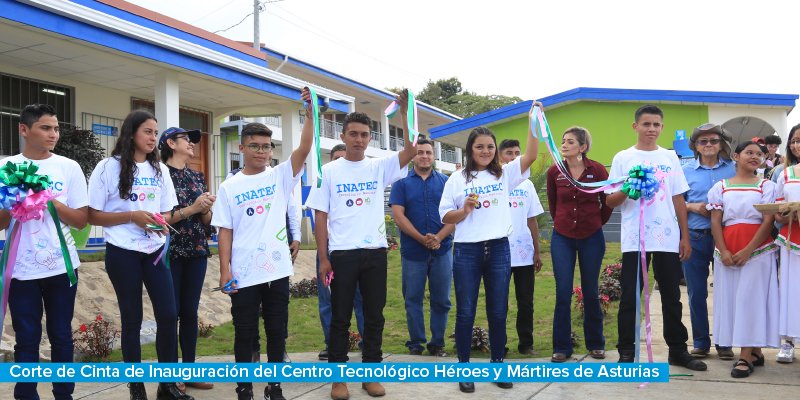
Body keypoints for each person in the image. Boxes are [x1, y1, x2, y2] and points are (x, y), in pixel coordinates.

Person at [305, 92, 416, 400]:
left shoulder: (378, 168)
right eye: (353, 134)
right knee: (340, 318)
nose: (358, 139)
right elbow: (320, 216)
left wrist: (405, 112)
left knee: (374, 317)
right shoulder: (327, 172)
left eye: (364, 135)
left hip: (375, 253)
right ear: (342, 136)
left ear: (370, 138)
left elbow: (409, 149)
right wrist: (323, 258)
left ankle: (371, 375)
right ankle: (338, 381)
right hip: (342, 255)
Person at [211, 87, 314, 400]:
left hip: (277, 270)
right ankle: (244, 388)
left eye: (266, 147)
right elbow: (224, 231)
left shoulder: (281, 176)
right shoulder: (229, 186)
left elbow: (305, 147)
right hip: (243, 273)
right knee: (244, 333)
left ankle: (275, 386)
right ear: (241, 148)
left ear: (272, 150)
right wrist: (224, 270)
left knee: (276, 332)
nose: (261, 151)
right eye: (254, 146)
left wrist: (310, 113)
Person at [87, 110, 191, 400]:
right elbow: (93, 215)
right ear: (131, 133)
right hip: (122, 253)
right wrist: (132, 216)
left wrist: (159, 220)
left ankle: (167, 385)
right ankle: (136, 387)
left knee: (169, 316)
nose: (153, 138)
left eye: (155, 133)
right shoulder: (108, 167)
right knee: (131, 319)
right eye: (147, 131)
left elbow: (169, 210)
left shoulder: (160, 170)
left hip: (155, 252)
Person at [439, 102, 540, 394]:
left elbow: (531, 154)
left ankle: (498, 365)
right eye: (480, 147)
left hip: (498, 248)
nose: (485, 151)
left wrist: (534, 120)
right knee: (466, 311)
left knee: (498, 311)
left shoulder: (504, 174)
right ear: (470, 149)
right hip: (467, 251)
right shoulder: (457, 179)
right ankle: (465, 369)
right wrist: (464, 210)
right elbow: (445, 216)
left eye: (490, 147)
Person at [605, 104, 706, 371]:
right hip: (634, 239)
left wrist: (685, 236)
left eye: (656, 125)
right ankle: (626, 351)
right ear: (635, 126)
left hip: (666, 239)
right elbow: (611, 201)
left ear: (662, 127)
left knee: (672, 295)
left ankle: (677, 350)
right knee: (630, 296)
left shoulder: (669, 158)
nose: (651, 129)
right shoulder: (622, 158)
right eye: (646, 124)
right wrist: (629, 188)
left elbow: (678, 198)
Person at [1, 104, 88, 400]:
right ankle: (26, 395)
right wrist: (16, 201)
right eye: (45, 128)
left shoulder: (68, 167)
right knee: (26, 338)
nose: (54, 134)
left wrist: (47, 199)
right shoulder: (6, 168)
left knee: (62, 335)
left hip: (61, 265)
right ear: (24, 130)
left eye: (56, 128)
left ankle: (64, 394)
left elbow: (80, 220)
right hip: (21, 267)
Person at [709, 139, 779, 378]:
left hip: (758, 251)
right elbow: (715, 221)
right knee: (732, 300)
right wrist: (723, 250)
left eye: (759, 154)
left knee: (751, 300)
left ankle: (745, 355)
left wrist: (749, 249)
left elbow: (768, 221)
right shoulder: (721, 186)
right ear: (736, 157)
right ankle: (755, 350)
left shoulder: (766, 186)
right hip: (727, 250)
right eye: (749, 152)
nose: (754, 157)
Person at [546, 127, 611, 362]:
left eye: (570, 142)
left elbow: (607, 203)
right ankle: (561, 347)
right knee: (562, 292)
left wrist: (594, 223)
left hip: (591, 237)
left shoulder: (598, 169)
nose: (564, 145)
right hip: (562, 237)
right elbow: (553, 205)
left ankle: (596, 344)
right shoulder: (555, 171)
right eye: (563, 141)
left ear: (582, 147)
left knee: (591, 291)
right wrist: (563, 224)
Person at [158, 127, 216, 391]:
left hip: (196, 249)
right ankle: (170, 376)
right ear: (170, 143)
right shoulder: (158, 175)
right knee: (170, 315)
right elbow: (159, 218)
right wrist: (192, 208)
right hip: (168, 252)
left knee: (190, 313)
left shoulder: (196, 176)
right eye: (186, 139)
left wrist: (205, 208)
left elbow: (206, 221)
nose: (193, 143)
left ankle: (190, 370)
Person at [389, 138, 454, 357]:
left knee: (441, 300)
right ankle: (416, 342)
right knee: (413, 299)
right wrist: (421, 238)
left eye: (428, 152)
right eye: (419, 152)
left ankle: (437, 343)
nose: (424, 156)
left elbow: (455, 216)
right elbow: (398, 216)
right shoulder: (401, 182)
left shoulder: (446, 182)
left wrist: (437, 238)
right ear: (413, 156)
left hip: (442, 250)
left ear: (433, 156)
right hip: (413, 252)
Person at [681, 123, 736, 360]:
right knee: (696, 292)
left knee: (726, 292)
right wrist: (693, 206)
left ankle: (725, 342)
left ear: (722, 144)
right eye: (703, 142)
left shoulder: (734, 169)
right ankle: (701, 341)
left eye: (714, 140)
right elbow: (672, 203)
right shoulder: (685, 171)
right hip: (695, 236)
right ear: (695, 146)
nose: (709, 145)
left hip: (727, 238)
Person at [316, 143, 366, 361]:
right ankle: (333, 344)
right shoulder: (325, 180)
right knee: (328, 301)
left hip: (353, 251)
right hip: (328, 250)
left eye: (342, 158)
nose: (339, 162)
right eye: (335, 158)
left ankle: (367, 341)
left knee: (360, 299)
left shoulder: (357, 183)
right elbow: (318, 218)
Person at [498, 138, 544, 357]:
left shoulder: (527, 184)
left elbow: (532, 219)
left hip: (524, 254)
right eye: (509, 153)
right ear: (499, 157)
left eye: (517, 152)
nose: (514, 157)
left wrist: (537, 250)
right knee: (499, 303)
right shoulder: (495, 181)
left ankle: (526, 343)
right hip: (499, 254)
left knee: (525, 302)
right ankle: (500, 344)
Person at [773, 123, 800, 364]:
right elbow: (777, 210)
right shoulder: (785, 173)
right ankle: (788, 341)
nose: (796, 145)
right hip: (793, 239)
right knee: (791, 289)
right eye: (793, 140)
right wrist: (783, 214)